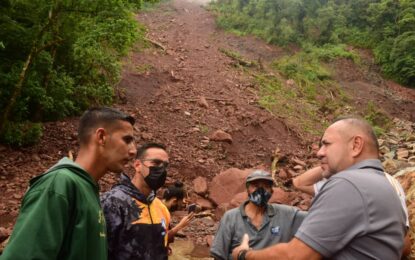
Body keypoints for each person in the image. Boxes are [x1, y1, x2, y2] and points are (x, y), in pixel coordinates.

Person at [232, 117, 407, 260]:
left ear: (355, 145)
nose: (319, 152)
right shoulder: (387, 186)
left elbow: (296, 256)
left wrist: (244, 255)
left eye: (327, 144)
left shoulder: (347, 184)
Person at [0, 107, 136, 260]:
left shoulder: (86, 188)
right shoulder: (59, 184)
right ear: (101, 137)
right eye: (127, 140)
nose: (133, 151)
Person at [293, 165, 412, 258]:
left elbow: (403, 243)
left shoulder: (344, 181)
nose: (321, 153)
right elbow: (298, 183)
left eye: (328, 146)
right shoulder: (339, 179)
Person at [210, 170, 307, 260]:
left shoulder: (286, 214)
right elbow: (218, 256)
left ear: (271, 191)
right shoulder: (231, 217)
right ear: (247, 189)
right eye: (255, 186)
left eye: (265, 186)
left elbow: (317, 219)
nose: (261, 190)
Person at [101, 142, 172, 260]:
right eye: (156, 163)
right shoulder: (112, 203)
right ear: (138, 165)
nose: (161, 169)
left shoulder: (161, 208)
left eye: (165, 165)